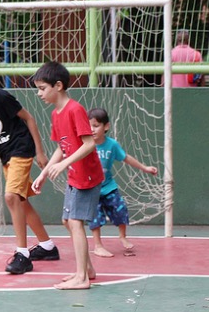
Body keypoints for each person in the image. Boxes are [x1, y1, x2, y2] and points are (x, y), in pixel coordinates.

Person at [0, 54, 59, 275]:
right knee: (21, 201)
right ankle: (47, 246)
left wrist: (40, 152)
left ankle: (23, 255)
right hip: (5, 155)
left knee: (10, 197)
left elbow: (30, 119)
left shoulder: (2, 97)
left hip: (21, 149)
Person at [31, 61, 104, 290]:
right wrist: (43, 173)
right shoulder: (56, 114)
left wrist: (64, 165)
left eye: (43, 88)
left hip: (87, 177)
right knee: (67, 221)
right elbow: (61, 148)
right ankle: (88, 269)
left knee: (75, 222)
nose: (39, 93)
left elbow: (89, 144)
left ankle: (82, 278)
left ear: (58, 86)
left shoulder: (75, 109)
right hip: (75, 176)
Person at [87, 108, 158, 257]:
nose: (92, 129)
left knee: (120, 209)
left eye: (96, 125)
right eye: (89, 126)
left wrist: (144, 168)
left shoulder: (112, 145)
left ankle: (123, 236)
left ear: (106, 126)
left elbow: (126, 158)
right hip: (91, 189)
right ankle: (98, 245)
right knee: (95, 216)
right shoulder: (85, 144)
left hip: (108, 187)